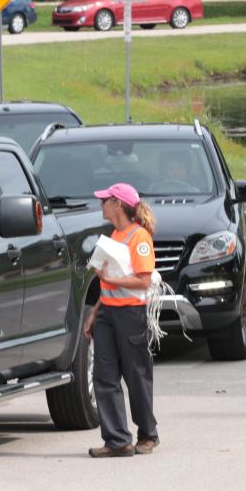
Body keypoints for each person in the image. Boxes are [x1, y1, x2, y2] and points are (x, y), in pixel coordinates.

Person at [84, 182, 160, 458]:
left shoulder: (139, 238)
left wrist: (110, 279)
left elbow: (144, 280)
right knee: (104, 375)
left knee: (136, 375)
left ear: (118, 204)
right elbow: (106, 284)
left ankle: (148, 434)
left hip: (130, 313)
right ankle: (117, 440)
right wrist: (93, 313)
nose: (101, 204)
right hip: (107, 313)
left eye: (105, 200)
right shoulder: (114, 235)